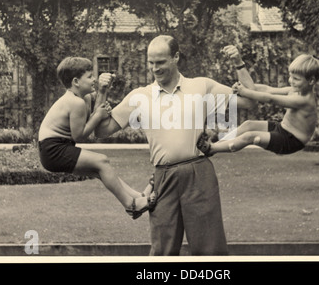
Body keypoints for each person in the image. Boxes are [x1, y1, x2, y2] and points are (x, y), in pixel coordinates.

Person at [94, 36, 253, 256]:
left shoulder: (201, 86)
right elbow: (101, 130)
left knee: (210, 249)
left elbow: (248, 100)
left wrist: (239, 63)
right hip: (163, 178)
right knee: (162, 250)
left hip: (199, 174)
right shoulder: (140, 96)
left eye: (160, 62)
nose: (154, 68)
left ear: (176, 57)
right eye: (151, 63)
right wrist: (102, 92)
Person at [38, 57, 155, 220]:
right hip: (53, 149)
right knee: (102, 161)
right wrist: (99, 114)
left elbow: (97, 104)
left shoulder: (83, 98)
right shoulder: (75, 102)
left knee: (100, 170)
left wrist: (103, 90)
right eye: (90, 76)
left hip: (57, 147)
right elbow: (79, 135)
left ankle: (137, 196)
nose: (94, 79)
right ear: (76, 81)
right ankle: (131, 205)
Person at [197, 47, 319, 156]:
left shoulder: (303, 100)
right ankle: (217, 143)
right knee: (248, 124)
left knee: (250, 137)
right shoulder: (294, 90)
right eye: (290, 76)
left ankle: (211, 149)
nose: (291, 81)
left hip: (292, 141)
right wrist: (245, 87)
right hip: (282, 128)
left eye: (296, 79)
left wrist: (245, 92)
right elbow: (268, 90)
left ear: (311, 81)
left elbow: (270, 99)